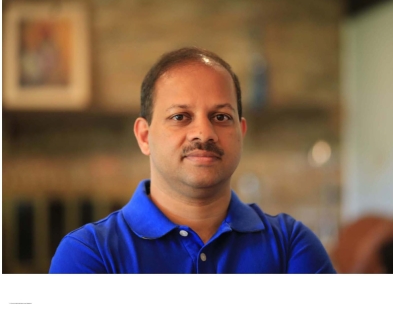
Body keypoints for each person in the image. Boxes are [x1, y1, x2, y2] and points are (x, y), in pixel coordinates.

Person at [49, 47, 336, 274]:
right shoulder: (88, 253)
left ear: (240, 132)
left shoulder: (291, 245)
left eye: (221, 117)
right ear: (145, 137)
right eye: (180, 117)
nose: (204, 132)